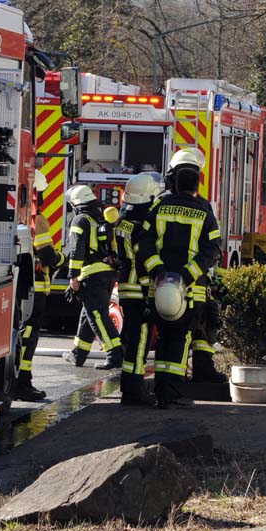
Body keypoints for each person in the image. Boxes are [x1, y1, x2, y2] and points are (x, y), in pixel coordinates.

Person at [137, 147, 221, 408]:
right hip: (190, 290)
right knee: (181, 341)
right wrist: (186, 275)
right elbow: (212, 250)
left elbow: (144, 244)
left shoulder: (159, 206)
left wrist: (159, 272)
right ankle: (172, 396)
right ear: (197, 183)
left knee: (163, 339)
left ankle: (162, 392)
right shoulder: (204, 210)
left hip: (159, 287)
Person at [61, 184, 123, 370]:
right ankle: (78, 354)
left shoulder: (80, 220)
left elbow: (76, 250)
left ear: (75, 204)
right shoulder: (101, 216)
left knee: (97, 315)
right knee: (88, 314)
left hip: (91, 274)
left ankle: (114, 355)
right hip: (108, 273)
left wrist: (73, 277)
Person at [115, 173, 162, 405]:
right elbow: (143, 261)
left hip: (125, 288)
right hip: (139, 290)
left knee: (131, 339)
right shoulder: (141, 226)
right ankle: (134, 391)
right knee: (140, 340)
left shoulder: (123, 221)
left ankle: (128, 387)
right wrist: (147, 295)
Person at [18, 170, 62, 401]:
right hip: (36, 291)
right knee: (30, 337)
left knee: (22, 335)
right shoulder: (39, 221)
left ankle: (20, 379)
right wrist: (62, 259)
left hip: (22, 289)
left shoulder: (20, 217)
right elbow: (47, 256)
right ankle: (22, 383)